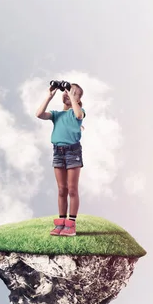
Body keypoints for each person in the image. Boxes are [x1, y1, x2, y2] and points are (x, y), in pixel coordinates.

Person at [35, 82, 86, 236]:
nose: (68, 93)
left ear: (77, 99)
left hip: (73, 152)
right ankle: (61, 222)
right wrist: (49, 96)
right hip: (58, 152)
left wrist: (71, 95)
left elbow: (78, 115)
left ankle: (71, 224)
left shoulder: (79, 112)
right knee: (62, 189)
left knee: (72, 189)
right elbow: (39, 114)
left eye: (73, 92)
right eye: (66, 91)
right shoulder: (57, 114)